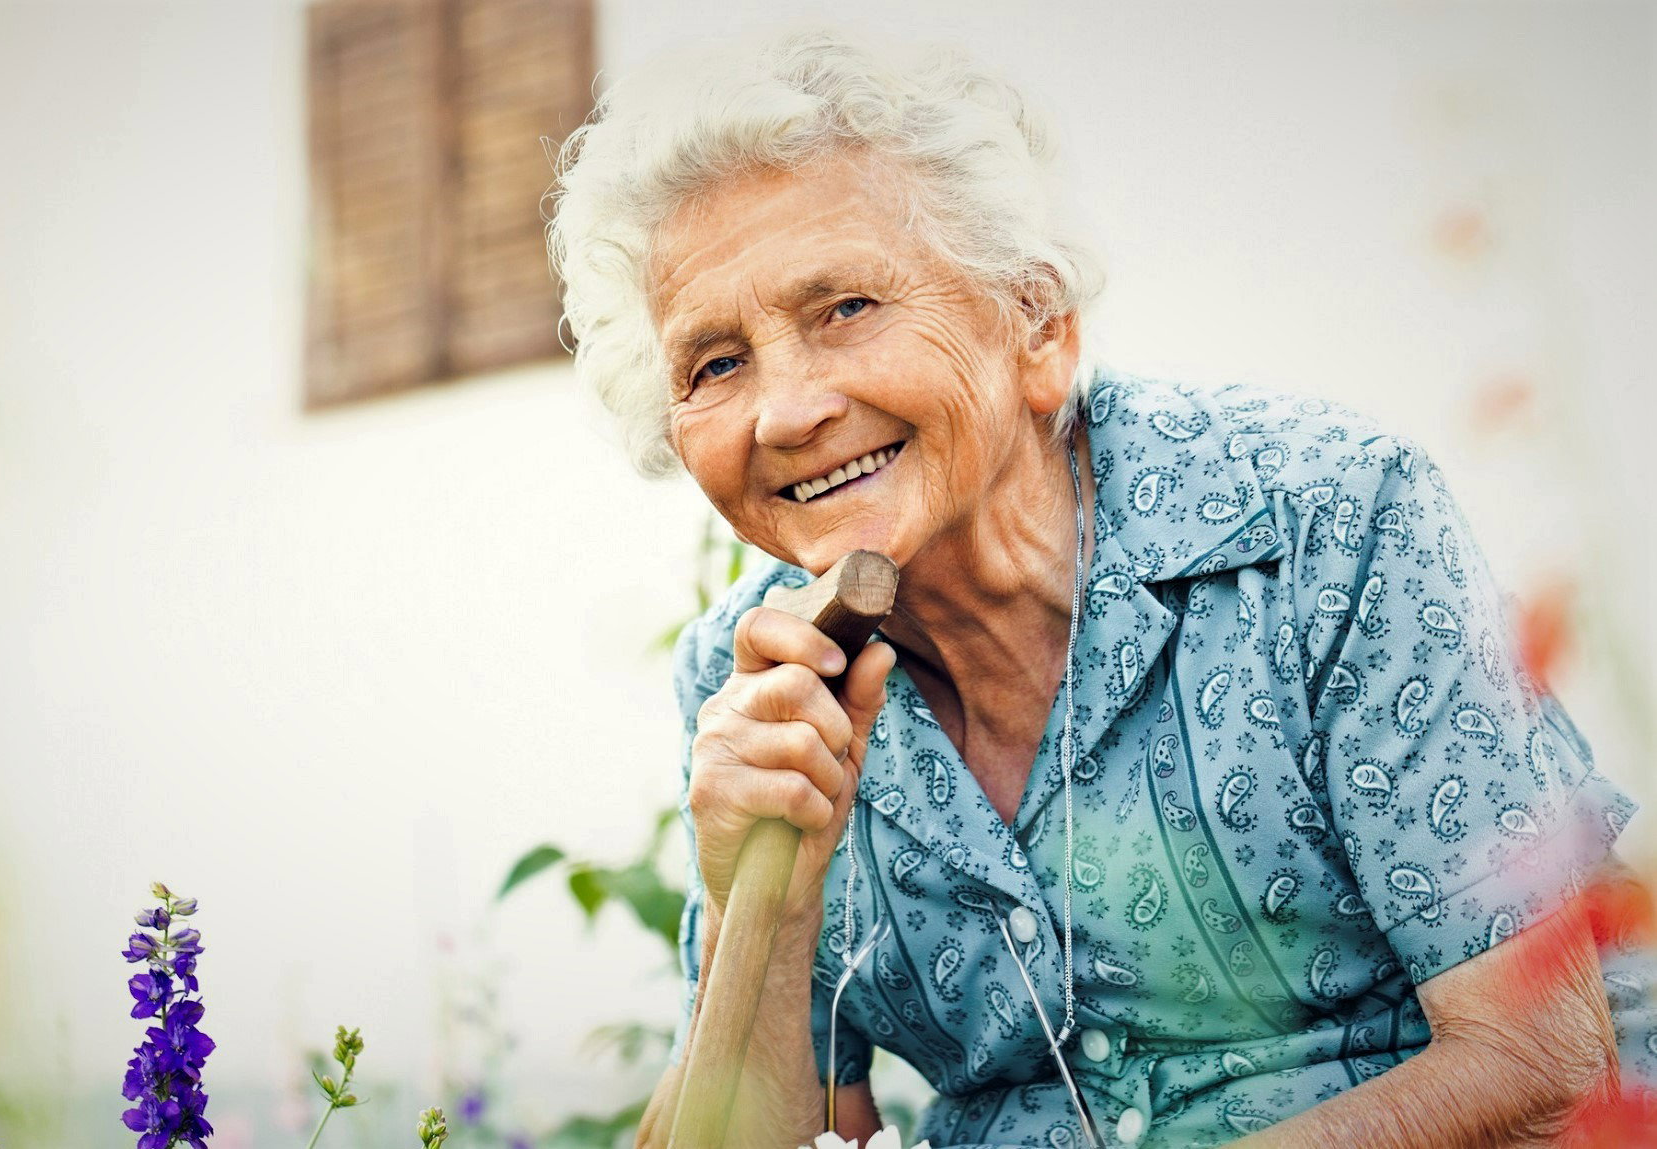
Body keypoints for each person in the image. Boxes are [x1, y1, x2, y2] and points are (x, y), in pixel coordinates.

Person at [546, 27, 1656, 1148]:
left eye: (845, 309)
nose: (784, 412)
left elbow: (1542, 1064)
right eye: (716, 364)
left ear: (1037, 325)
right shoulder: (756, 678)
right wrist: (763, 913)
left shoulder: (1320, 522)